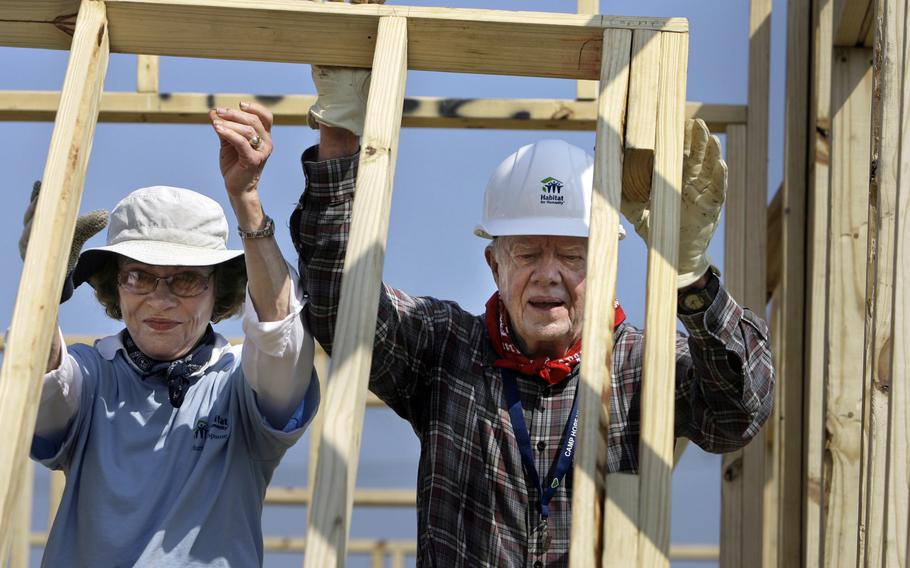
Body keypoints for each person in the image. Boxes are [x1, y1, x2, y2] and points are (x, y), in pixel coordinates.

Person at [263, 64, 771, 566]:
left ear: (605, 268)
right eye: (527, 253)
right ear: (495, 264)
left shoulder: (640, 364)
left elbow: (738, 413)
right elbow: (339, 307)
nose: (549, 275)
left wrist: (691, 276)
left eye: (572, 256)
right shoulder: (446, 350)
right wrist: (340, 133)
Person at [22, 101, 319, 567]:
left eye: (184, 278)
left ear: (217, 291)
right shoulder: (89, 374)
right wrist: (38, 283)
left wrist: (247, 198)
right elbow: (40, 392)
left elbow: (281, 340)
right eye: (138, 276)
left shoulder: (238, 383)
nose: (160, 300)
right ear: (113, 287)